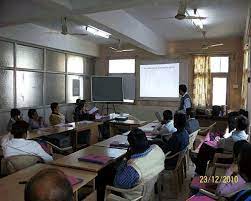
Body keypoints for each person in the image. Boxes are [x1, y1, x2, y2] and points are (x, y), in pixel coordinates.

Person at [113, 128, 165, 199]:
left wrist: (125, 159)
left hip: (135, 197)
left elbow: (117, 184)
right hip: (149, 190)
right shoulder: (157, 149)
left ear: (131, 147)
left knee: (104, 178)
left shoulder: (133, 168)